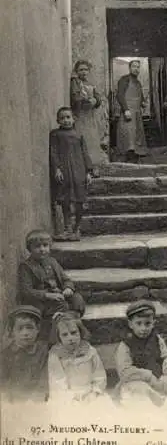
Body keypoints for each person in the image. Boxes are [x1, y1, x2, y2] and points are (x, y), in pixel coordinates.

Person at [115, 300, 167, 408]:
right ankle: (151, 407)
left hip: (159, 380)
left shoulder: (157, 339)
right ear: (130, 324)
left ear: (153, 323)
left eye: (147, 324)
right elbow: (125, 371)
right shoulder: (125, 344)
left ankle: (164, 403)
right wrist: (149, 377)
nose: (143, 328)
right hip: (141, 381)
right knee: (137, 389)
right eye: (139, 323)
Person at [18, 230, 85, 322]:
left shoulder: (52, 261)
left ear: (49, 247)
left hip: (58, 294)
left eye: (45, 245)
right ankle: (62, 323)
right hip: (42, 301)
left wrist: (68, 288)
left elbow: (65, 279)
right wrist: (47, 295)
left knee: (77, 299)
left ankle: (72, 319)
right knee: (61, 305)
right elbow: (26, 291)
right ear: (29, 249)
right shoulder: (26, 266)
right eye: (37, 246)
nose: (42, 249)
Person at [48, 312, 113, 405]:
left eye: (74, 333)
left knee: (101, 406)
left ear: (80, 332)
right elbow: (57, 381)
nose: (70, 338)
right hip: (67, 395)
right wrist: (71, 399)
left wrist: (94, 392)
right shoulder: (56, 355)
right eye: (65, 335)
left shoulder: (89, 351)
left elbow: (99, 375)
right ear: (58, 337)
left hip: (89, 392)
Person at [50, 106, 93, 241]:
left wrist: (88, 172)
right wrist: (57, 169)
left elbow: (85, 153)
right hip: (65, 171)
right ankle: (68, 228)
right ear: (58, 120)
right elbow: (54, 152)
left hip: (79, 171)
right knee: (65, 200)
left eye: (68, 117)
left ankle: (77, 228)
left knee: (80, 200)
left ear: (73, 119)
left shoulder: (79, 135)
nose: (66, 120)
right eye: (62, 118)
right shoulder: (55, 134)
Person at [0, 305, 49, 402]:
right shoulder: (6, 355)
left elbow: (44, 381)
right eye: (20, 328)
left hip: (37, 400)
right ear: (12, 331)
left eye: (30, 327)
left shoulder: (43, 351)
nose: (25, 333)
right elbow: (3, 383)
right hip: (14, 400)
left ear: (37, 329)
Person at [70, 60, 104, 177]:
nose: (83, 72)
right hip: (80, 115)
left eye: (85, 70)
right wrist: (85, 101)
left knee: (93, 140)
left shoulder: (91, 83)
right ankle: (83, 168)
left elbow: (98, 97)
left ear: (89, 71)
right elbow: (75, 97)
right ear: (76, 71)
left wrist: (96, 100)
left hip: (91, 116)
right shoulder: (75, 82)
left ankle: (94, 167)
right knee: (82, 139)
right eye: (81, 70)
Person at [116, 60, 147, 163]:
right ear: (129, 68)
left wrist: (143, 102)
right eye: (134, 66)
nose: (136, 69)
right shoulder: (124, 79)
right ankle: (127, 156)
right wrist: (125, 110)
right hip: (128, 111)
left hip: (137, 112)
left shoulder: (138, 82)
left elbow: (140, 95)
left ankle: (136, 155)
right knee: (128, 134)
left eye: (138, 67)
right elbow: (120, 95)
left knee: (137, 134)